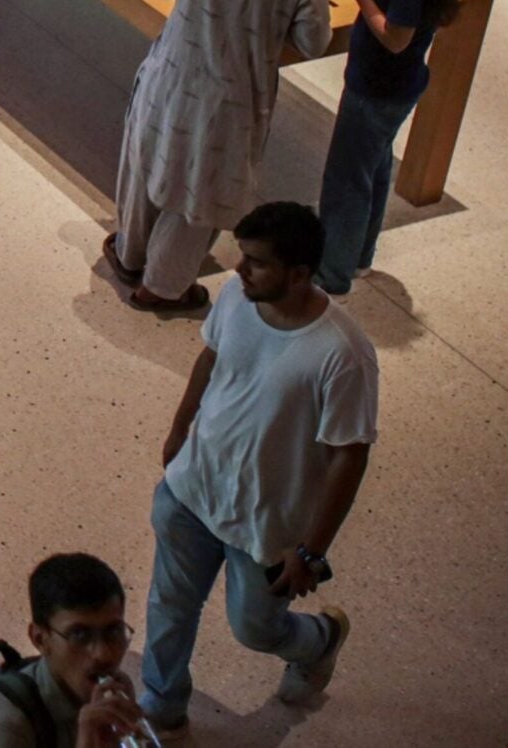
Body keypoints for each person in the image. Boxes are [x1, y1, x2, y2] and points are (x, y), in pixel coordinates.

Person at [143, 203, 373, 734]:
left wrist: (312, 551)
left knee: (255, 629)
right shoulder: (235, 296)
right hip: (194, 487)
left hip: (267, 521)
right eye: (242, 256)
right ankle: (162, 710)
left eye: (257, 262)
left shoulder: (342, 353)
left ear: (299, 274)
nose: (239, 269)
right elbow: (211, 358)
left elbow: (350, 454)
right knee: (170, 605)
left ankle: (319, 640)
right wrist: (179, 429)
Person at [108, 0, 335, 313]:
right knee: (200, 194)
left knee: (146, 162)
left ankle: (129, 255)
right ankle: (161, 287)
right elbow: (314, 42)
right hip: (232, 99)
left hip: (169, 73)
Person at [316, 0, 463, 295]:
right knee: (374, 170)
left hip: (376, 88)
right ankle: (359, 256)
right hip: (395, 85)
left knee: (347, 180)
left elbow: (395, 38)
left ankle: (332, 273)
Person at [0, 554, 149, 747]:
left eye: (113, 631)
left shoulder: (113, 690)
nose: (102, 654)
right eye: (79, 635)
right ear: (40, 639)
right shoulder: (5, 726)